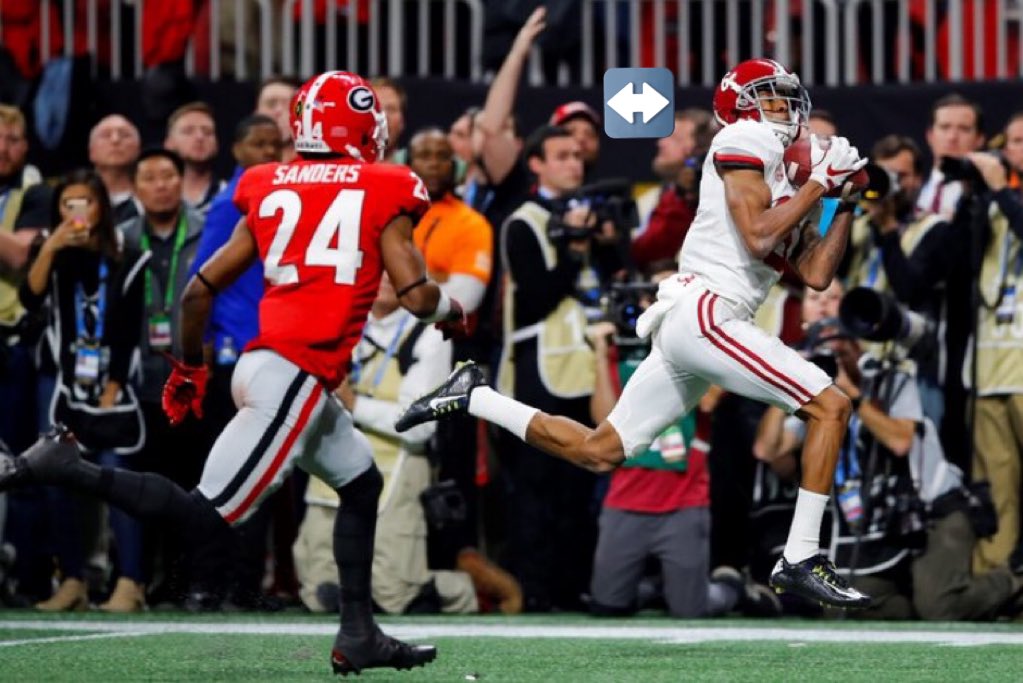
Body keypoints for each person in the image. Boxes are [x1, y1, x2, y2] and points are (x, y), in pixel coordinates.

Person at [0, 70, 459, 676]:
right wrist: (455, 311)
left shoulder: (268, 182)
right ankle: (61, 465)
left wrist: (189, 368)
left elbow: (197, 291)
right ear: (360, 126)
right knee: (206, 517)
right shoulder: (386, 184)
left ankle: (358, 635)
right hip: (296, 376)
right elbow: (417, 297)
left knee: (359, 483)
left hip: (265, 366)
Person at [399, 58, 872, 609]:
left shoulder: (783, 176)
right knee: (831, 406)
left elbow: (815, 274)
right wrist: (819, 183)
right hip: (708, 312)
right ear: (740, 106)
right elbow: (759, 237)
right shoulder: (744, 138)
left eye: (788, 96)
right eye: (771, 96)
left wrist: (843, 201)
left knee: (600, 449)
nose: (785, 106)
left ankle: (475, 396)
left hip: (702, 320)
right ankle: (801, 556)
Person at [19, 170, 149, 612]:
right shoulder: (51, 252)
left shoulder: (128, 256)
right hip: (60, 381)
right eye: (67, 203)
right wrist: (49, 248)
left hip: (113, 382)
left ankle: (130, 581)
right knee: (55, 476)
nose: (77, 211)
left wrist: (114, 385)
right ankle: (72, 579)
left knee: (118, 475)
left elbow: (130, 329)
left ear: (102, 207)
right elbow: (30, 300)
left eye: (86, 202)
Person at [916, 94, 986, 220]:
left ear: (979, 139)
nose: (952, 137)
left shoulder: (987, 195)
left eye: (964, 129)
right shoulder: (913, 189)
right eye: (944, 127)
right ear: (930, 136)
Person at [163, 102, 224, 217]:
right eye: (188, 131)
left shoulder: (231, 195)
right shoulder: (153, 198)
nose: (200, 137)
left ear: (216, 144)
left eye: (207, 132)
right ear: (169, 143)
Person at [88, 114, 142, 224]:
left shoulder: (152, 197)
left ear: (138, 149)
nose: (115, 140)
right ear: (91, 151)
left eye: (125, 135)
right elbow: (77, 229)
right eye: (105, 135)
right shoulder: (77, 197)